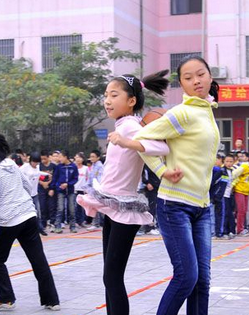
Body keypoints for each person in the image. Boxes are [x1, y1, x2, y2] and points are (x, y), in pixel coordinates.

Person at [121, 55, 220, 315]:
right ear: (182, 85)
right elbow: (140, 139)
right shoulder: (183, 113)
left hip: (202, 207)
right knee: (187, 277)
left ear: (210, 76)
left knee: (202, 282)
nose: (196, 81)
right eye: (188, 78)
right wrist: (162, 171)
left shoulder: (206, 111)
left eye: (200, 74)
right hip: (175, 206)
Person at [77, 70, 170, 315]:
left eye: (114, 95)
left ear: (131, 101)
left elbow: (162, 146)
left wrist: (128, 142)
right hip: (112, 206)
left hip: (125, 210)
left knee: (112, 277)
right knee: (110, 276)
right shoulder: (123, 125)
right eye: (106, 95)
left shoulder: (130, 126)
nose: (107, 100)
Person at [0, 135, 60, 311]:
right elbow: (27, 185)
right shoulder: (11, 164)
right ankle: (52, 300)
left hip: (8, 220)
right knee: (38, 259)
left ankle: (6, 299)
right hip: (28, 215)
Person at [49, 150, 79, 234]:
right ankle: (57, 226)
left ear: (65, 157)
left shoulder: (73, 166)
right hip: (60, 190)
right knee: (60, 208)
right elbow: (55, 178)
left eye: (60, 157)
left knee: (72, 209)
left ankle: (72, 226)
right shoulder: (59, 167)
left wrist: (68, 184)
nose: (59, 158)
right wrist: (54, 187)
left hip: (70, 190)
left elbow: (75, 178)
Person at [232, 153, 249, 236]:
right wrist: (234, 185)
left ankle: (242, 228)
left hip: (246, 191)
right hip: (239, 190)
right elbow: (234, 174)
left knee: (244, 211)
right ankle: (239, 230)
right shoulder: (244, 166)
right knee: (241, 210)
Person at [20, 151, 47, 236]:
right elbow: (18, 175)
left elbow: (38, 174)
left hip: (34, 194)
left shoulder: (38, 167)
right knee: (26, 213)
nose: (35, 164)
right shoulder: (24, 167)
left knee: (38, 212)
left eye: (37, 162)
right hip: (25, 194)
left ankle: (40, 228)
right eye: (34, 162)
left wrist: (46, 174)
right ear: (30, 160)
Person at [85, 150, 104, 231]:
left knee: (101, 207)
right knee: (94, 206)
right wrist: (87, 187)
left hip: (98, 189)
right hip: (92, 189)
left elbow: (100, 178)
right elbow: (90, 177)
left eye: (93, 156)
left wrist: (98, 188)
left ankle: (102, 223)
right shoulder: (93, 166)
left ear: (98, 157)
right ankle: (95, 223)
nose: (91, 158)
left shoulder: (100, 166)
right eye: (91, 156)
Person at [38, 150, 57, 233]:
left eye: (45, 159)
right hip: (41, 189)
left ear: (49, 157)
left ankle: (52, 223)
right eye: (41, 159)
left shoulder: (54, 166)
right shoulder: (39, 166)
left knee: (52, 206)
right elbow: (35, 177)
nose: (43, 161)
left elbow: (55, 177)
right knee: (42, 207)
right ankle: (43, 224)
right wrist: (42, 183)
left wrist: (49, 184)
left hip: (51, 189)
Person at [74, 152, 88, 228]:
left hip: (82, 190)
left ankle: (81, 221)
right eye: (77, 157)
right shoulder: (73, 167)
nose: (78, 159)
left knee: (82, 206)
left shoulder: (85, 168)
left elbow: (88, 179)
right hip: (74, 189)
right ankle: (75, 221)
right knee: (75, 206)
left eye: (80, 157)